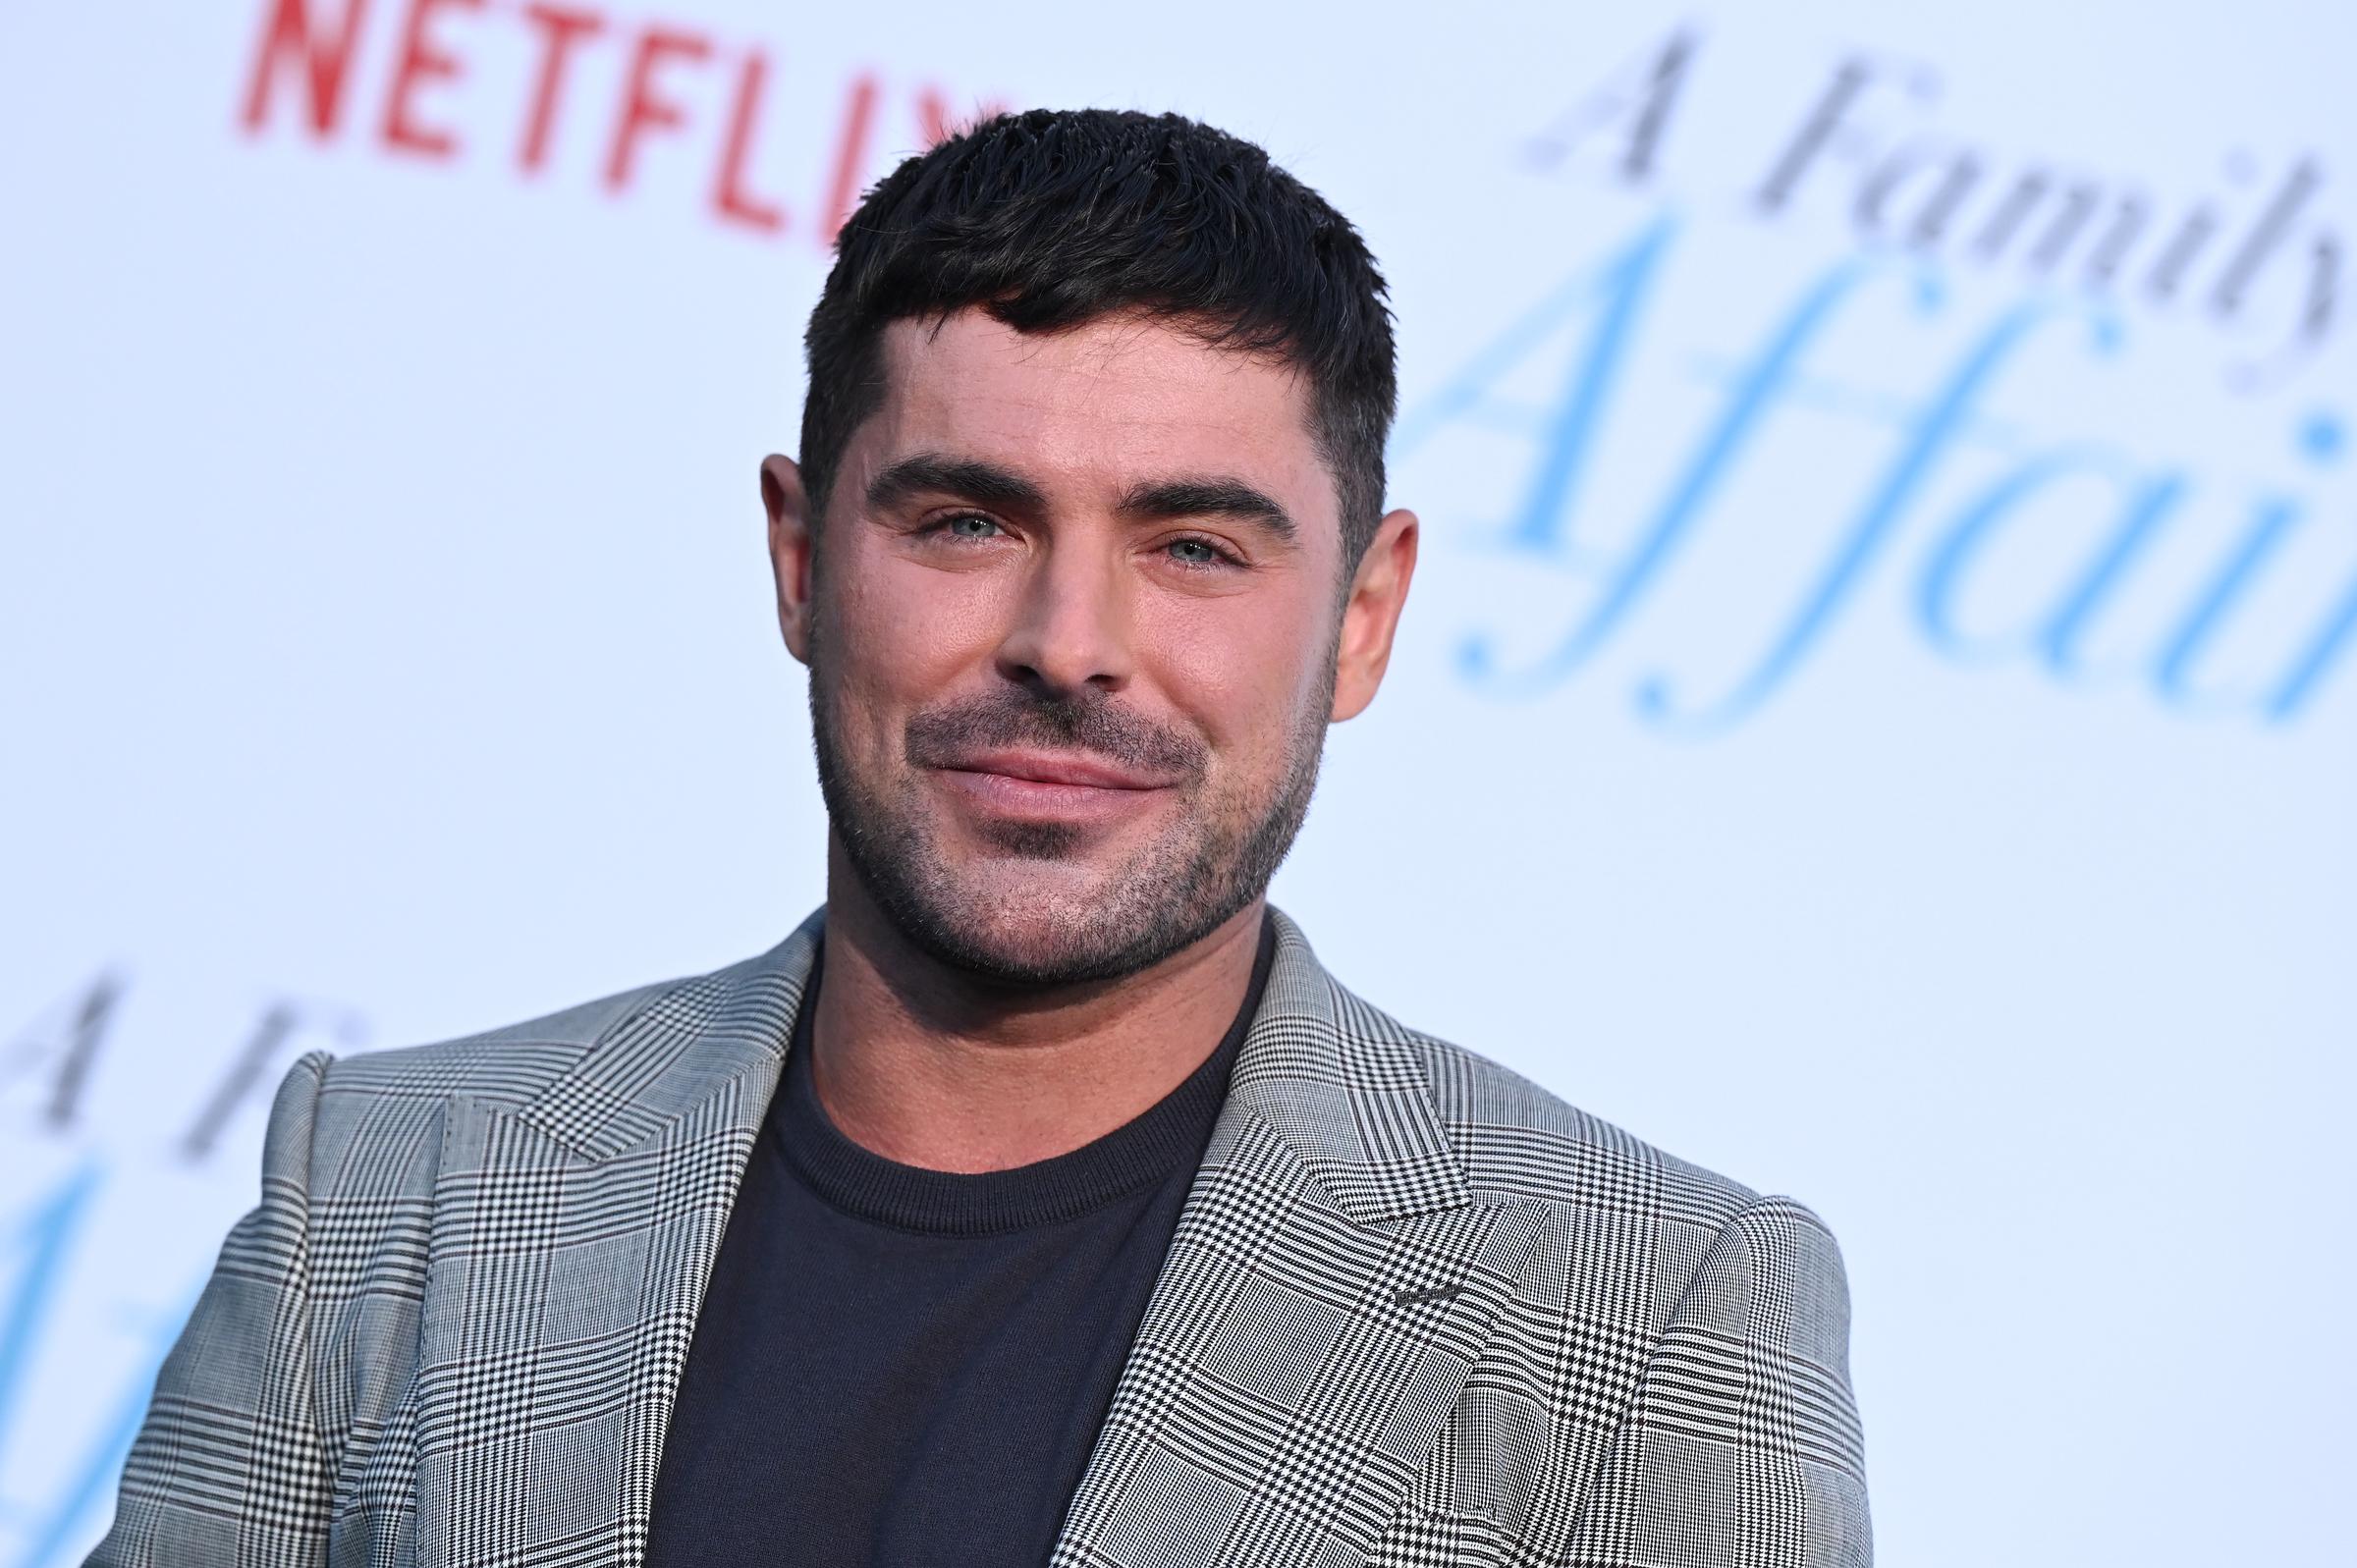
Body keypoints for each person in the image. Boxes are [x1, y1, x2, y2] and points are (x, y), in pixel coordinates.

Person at [89, 109, 1869, 1568]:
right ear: (802, 558)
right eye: (964, 519)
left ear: (1362, 616)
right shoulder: (390, 1194)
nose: (1069, 640)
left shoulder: (1650, 1324)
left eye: (1194, 545)